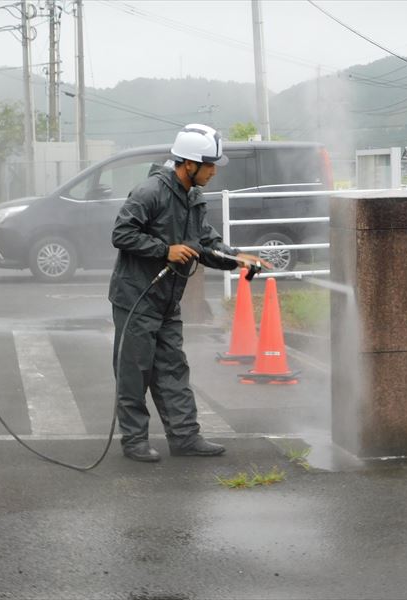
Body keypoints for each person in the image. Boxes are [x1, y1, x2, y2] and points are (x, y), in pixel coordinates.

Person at [109, 123, 268, 462]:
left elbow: (206, 243)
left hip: (168, 299)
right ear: (189, 164)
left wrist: (237, 258)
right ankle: (134, 441)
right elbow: (122, 234)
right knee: (135, 370)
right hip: (137, 297)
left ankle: (184, 437)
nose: (214, 171)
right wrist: (164, 249)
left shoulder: (193, 198)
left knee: (173, 368)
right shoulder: (149, 192)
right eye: (210, 165)